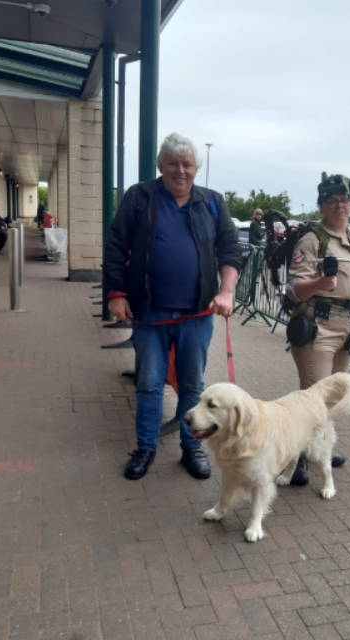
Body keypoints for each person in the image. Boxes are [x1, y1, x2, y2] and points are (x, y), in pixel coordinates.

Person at [104, 133, 241, 481]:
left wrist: (226, 291)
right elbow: (116, 246)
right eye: (173, 164)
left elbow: (230, 250)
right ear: (160, 166)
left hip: (197, 316)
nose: (180, 170)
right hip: (149, 313)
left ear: (196, 168)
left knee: (192, 386)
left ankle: (190, 447)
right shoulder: (139, 197)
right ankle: (145, 448)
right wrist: (117, 293)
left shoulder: (212, 202)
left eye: (187, 164)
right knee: (149, 384)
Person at [284, 173, 350, 485]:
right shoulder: (313, 240)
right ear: (322, 205)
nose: (339, 205)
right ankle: (295, 459)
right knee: (312, 398)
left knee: (330, 398)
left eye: (345, 199)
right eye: (332, 200)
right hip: (319, 329)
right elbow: (293, 288)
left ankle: (320, 450)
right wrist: (321, 283)